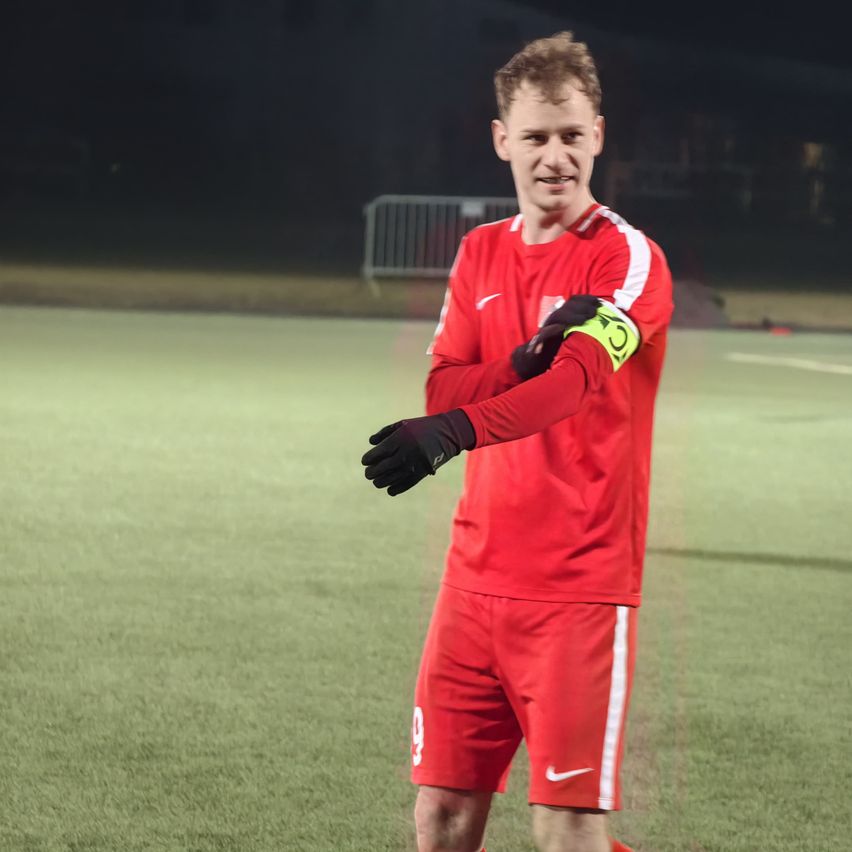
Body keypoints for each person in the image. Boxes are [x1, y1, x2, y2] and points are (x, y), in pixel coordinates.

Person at [362, 32, 673, 852]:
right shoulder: (479, 253)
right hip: (473, 581)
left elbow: (571, 387)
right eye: (536, 137)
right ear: (503, 140)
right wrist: (516, 362)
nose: (554, 157)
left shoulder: (628, 261)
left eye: (571, 135)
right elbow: (443, 388)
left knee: (564, 829)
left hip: (578, 590)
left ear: (598, 135)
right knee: (441, 814)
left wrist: (457, 430)